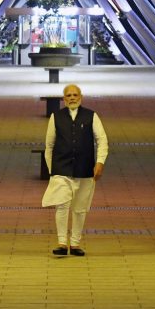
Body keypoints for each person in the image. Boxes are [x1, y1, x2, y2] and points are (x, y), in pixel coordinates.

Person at [42, 84, 108, 257]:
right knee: (61, 205)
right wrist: (52, 169)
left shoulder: (91, 116)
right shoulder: (56, 117)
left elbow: (102, 140)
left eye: (75, 95)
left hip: (85, 169)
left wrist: (100, 162)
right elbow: (49, 145)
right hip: (61, 169)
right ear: (64, 99)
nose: (72, 98)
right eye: (68, 95)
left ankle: (76, 243)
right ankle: (62, 243)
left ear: (81, 97)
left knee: (80, 208)